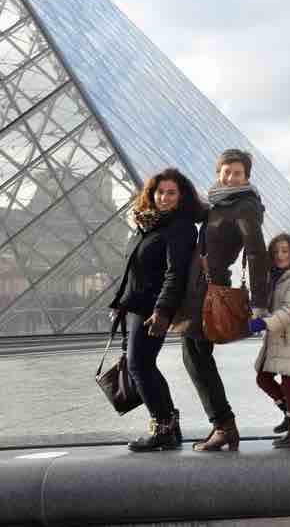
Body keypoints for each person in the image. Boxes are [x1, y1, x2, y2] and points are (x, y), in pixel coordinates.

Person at [174, 148, 271, 452]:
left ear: (246, 177)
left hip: (210, 290)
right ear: (219, 173)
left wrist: (259, 302)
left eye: (237, 173)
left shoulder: (245, 206)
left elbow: (256, 252)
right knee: (195, 357)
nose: (230, 177)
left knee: (196, 358)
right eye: (226, 172)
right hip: (195, 290)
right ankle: (223, 425)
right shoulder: (218, 204)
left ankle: (223, 425)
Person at [111, 168, 201, 452]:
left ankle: (162, 426)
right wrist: (120, 303)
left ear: (181, 195)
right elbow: (132, 269)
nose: (163, 197)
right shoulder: (148, 225)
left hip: (153, 308)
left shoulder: (180, 227)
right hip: (137, 306)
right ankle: (169, 427)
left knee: (139, 364)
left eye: (170, 192)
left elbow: (175, 274)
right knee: (144, 364)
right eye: (159, 192)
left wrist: (162, 311)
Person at [249, 233, 290, 448]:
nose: (279, 255)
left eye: (285, 251)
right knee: (263, 378)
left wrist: (262, 324)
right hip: (278, 337)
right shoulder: (276, 277)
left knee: (288, 383)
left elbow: (289, 311)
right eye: (276, 251)